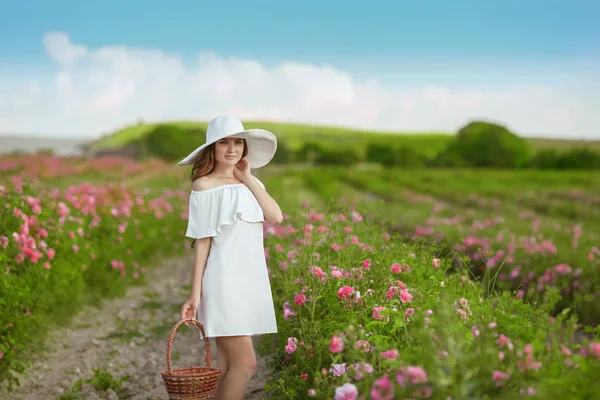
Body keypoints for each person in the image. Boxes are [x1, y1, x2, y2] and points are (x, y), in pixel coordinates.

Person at [177, 115, 283, 400]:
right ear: (212, 148)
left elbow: (276, 216)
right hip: (224, 283)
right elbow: (202, 241)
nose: (232, 149)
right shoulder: (204, 186)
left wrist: (247, 178)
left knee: (225, 367)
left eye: (238, 142)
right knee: (246, 364)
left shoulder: (250, 182)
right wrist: (195, 295)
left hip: (249, 282)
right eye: (224, 142)